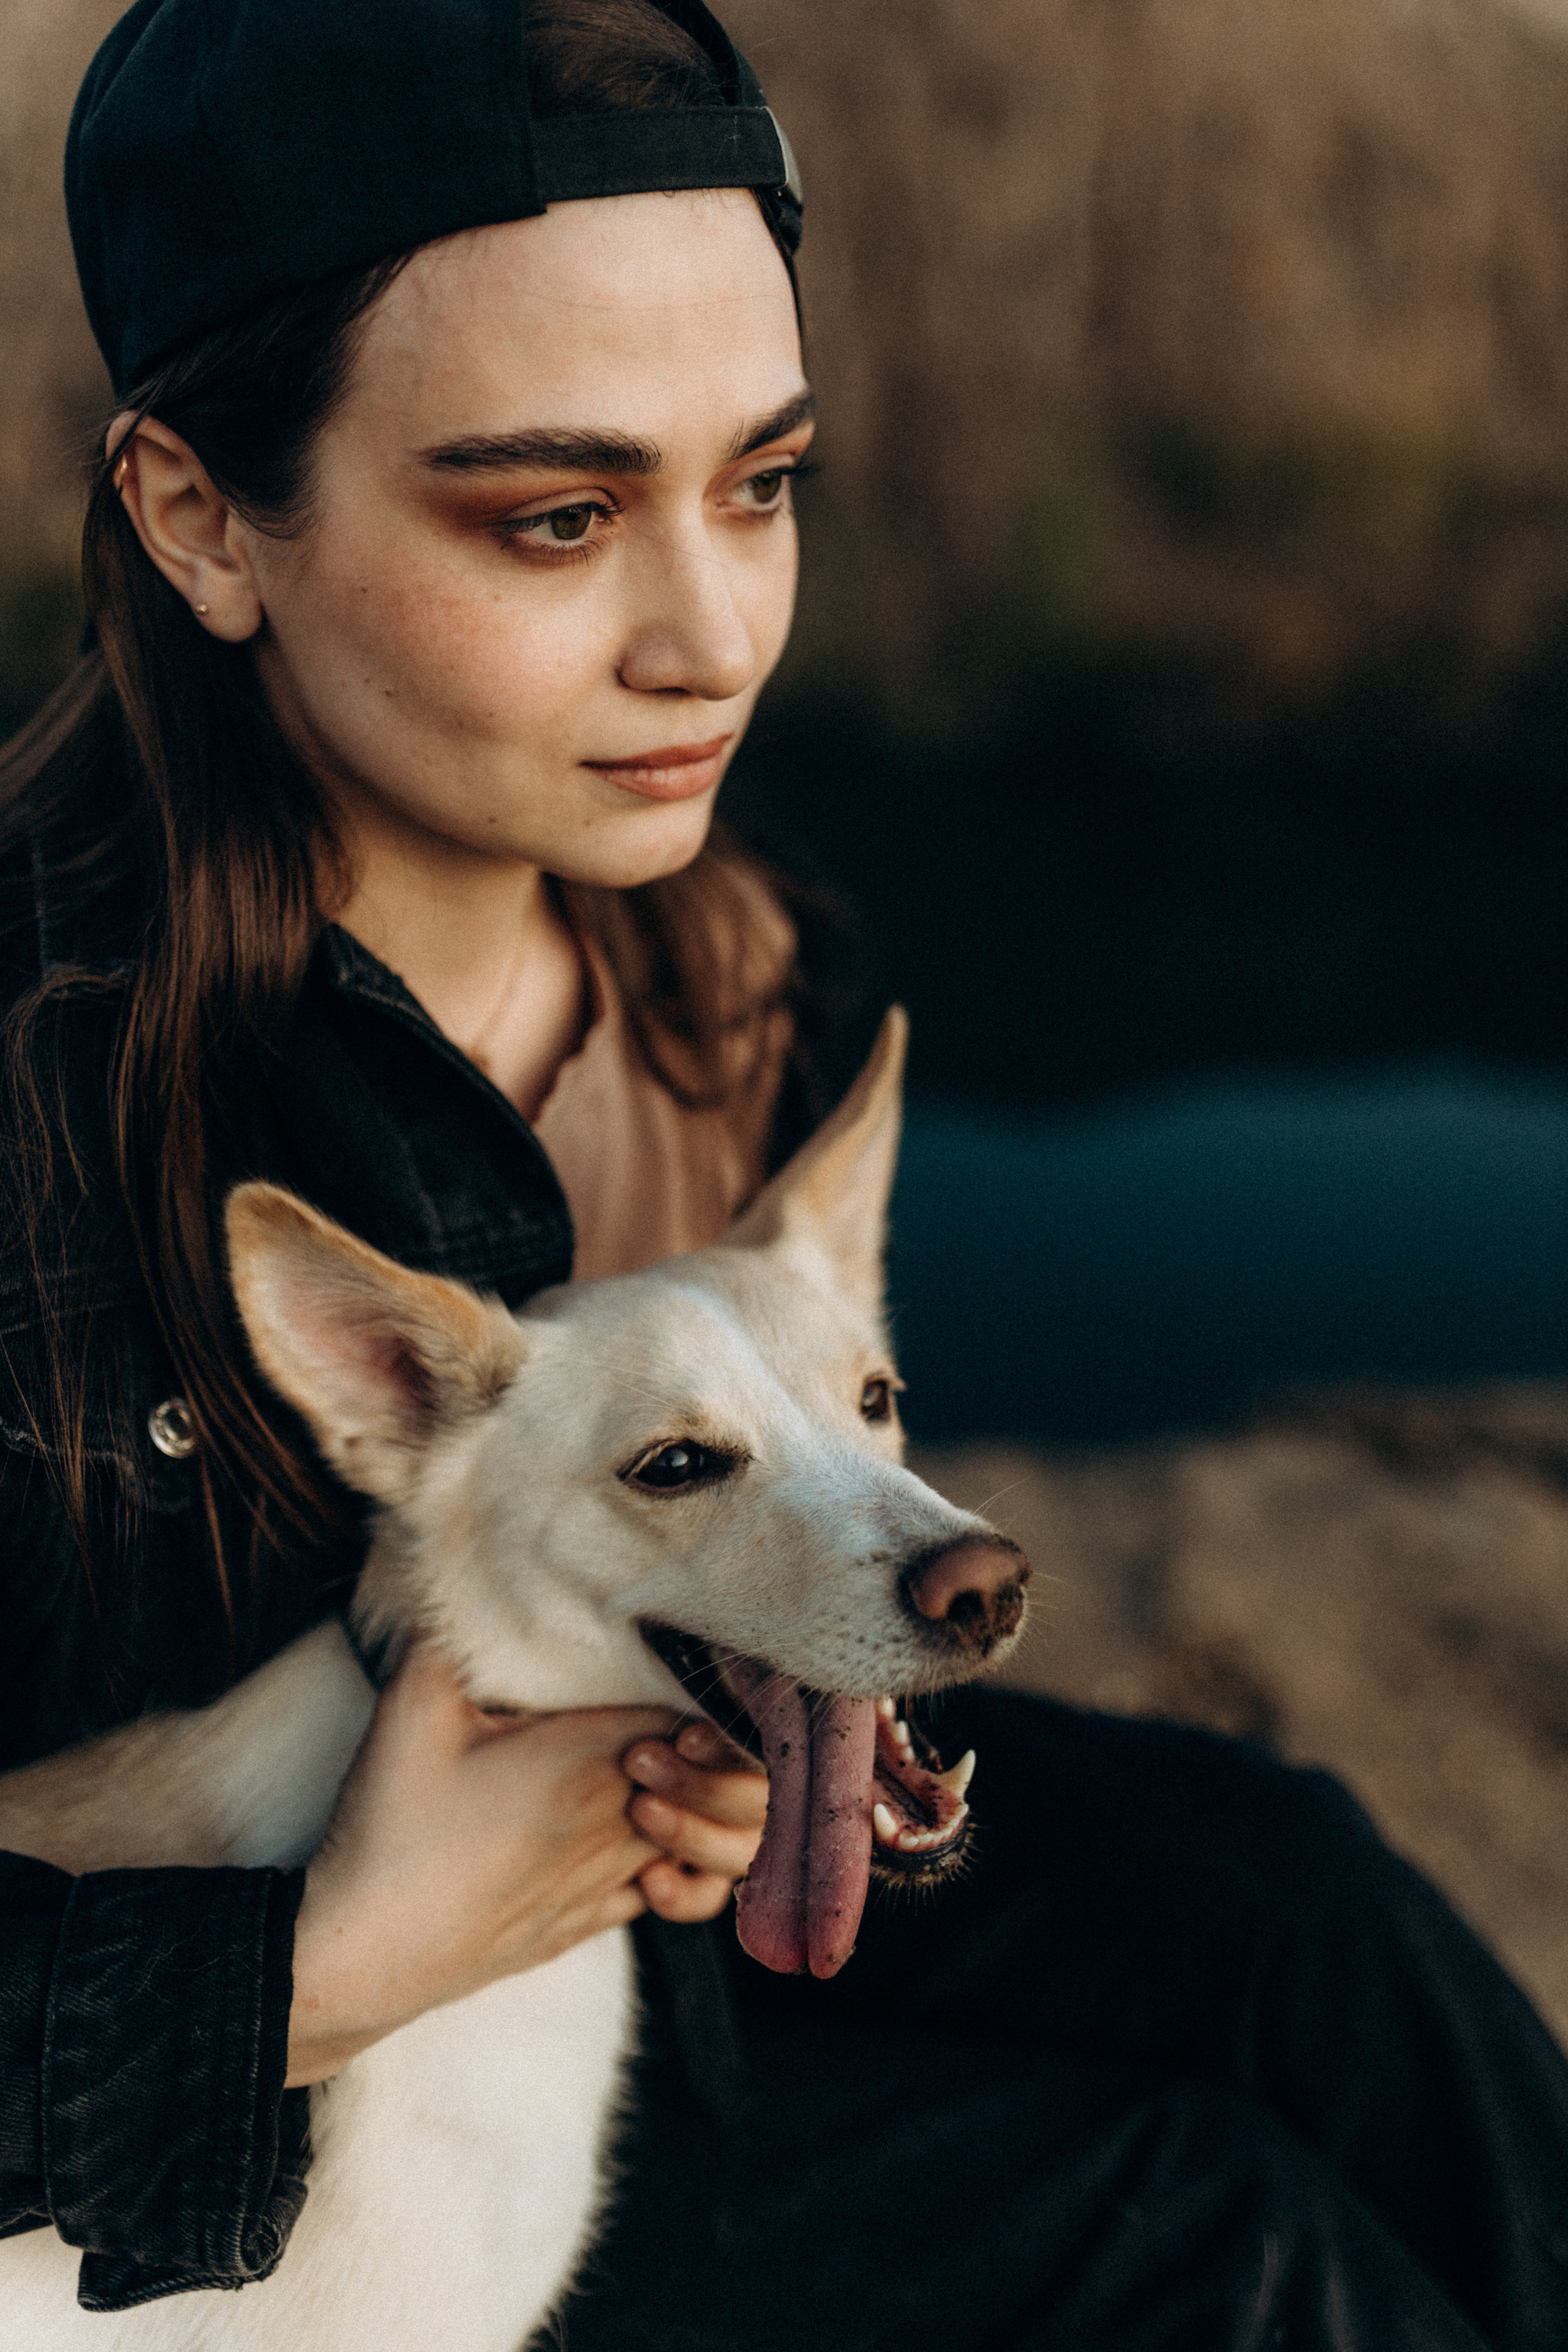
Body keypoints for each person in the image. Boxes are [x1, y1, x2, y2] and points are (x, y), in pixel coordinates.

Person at [1, 1, 1566, 2344]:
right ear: (203, 518)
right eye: (557, 515)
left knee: (1303, 1914)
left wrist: (771, 1733)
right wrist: (324, 1965)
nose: (716, 638)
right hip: (290, 2186)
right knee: (1218, 2244)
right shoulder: (34, 1119)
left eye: (765, 480)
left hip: (675, 1946)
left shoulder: (742, 972)